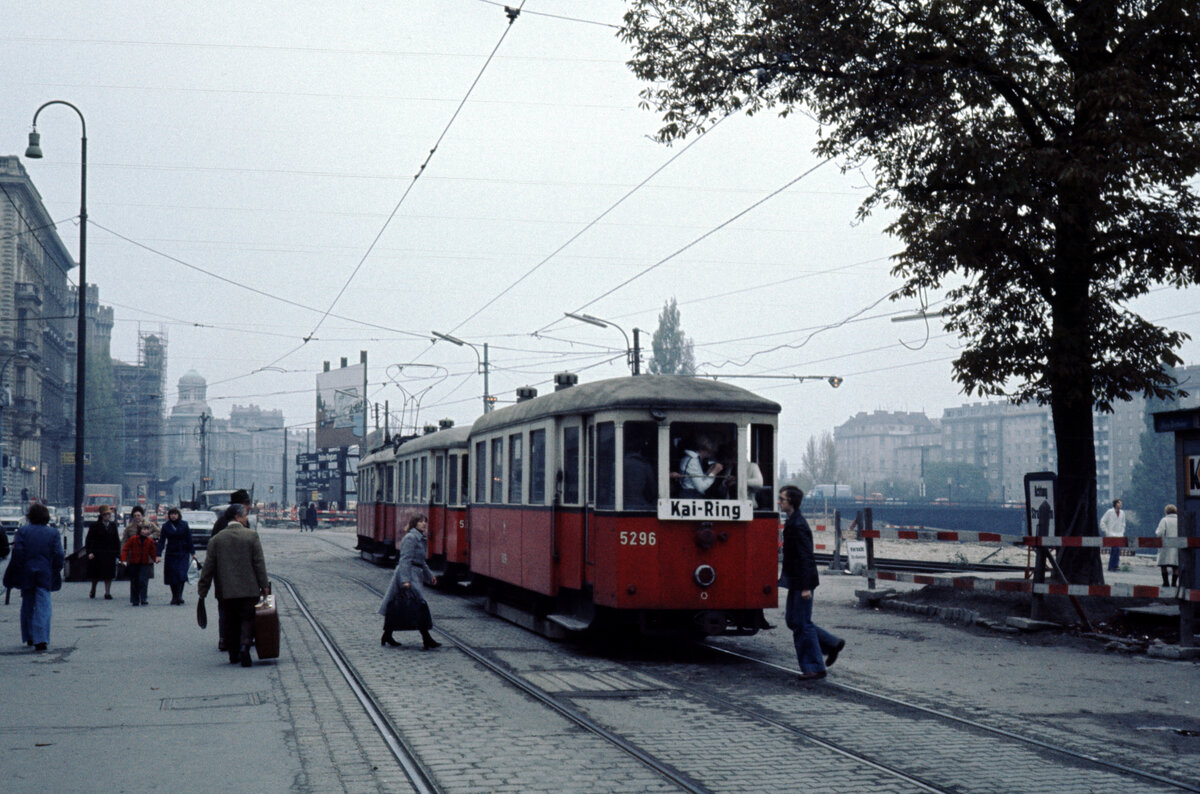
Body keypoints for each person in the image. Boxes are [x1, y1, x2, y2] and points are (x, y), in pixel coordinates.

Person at [778, 485, 844, 680]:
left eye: (782, 499)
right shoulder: (792, 522)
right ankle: (831, 643)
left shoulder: (798, 525)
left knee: (802, 623)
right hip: (796, 580)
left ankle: (814, 667)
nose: (779, 502)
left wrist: (806, 587)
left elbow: (806, 557)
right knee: (793, 620)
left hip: (803, 582)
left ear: (791, 502)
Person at [197, 502, 269, 667]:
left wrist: (203, 590)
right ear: (237, 517)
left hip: (225, 591)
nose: (245, 519)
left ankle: (233, 653)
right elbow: (259, 563)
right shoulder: (251, 536)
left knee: (230, 621)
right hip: (249, 589)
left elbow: (208, 567)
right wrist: (264, 584)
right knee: (247, 619)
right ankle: (245, 645)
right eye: (244, 515)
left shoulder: (217, 539)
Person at [2, 503, 64, 651]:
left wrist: (17, 570)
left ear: (30, 516)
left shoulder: (23, 531)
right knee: (43, 605)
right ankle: (41, 638)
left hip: (27, 571)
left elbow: (18, 554)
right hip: (45, 572)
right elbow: (58, 554)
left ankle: (29, 636)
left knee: (27, 604)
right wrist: (56, 568)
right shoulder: (53, 533)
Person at [378, 514, 441, 650]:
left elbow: (421, 560)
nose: (424, 524)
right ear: (414, 523)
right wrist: (405, 580)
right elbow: (405, 559)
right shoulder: (410, 538)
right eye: (420, 522)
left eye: (425, 521)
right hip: (408, 574)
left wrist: (430, 575)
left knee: (404, 606)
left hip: (415, 573)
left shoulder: (421, 538)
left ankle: (387, 635)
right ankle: (426, 638)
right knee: (419, 606)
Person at [157, 508, 198, 605]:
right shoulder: (166, 526)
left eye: (175, 514)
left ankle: (179, 595)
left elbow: (189, 539)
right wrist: (158, 554)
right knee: (172, 574)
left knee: (181, 574)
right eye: (171, 514)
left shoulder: (184, 524)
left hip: (183, 552)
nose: (173, 516)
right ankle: (174, 595)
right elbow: (162, 541)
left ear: (178, 515)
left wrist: (193, 553)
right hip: (171, 553)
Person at [85, 505, 122, 599]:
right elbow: (89, 540)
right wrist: (89, 552)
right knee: (95, 574)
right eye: (106, 514)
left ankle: (107, 592)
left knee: (109, 574)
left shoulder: (113, 525)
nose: (108, 516)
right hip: (97, 553)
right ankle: (93, 589)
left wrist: (118, 553)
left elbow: (116, 540)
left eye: (109, 514)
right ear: (102, 515)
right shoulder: (95, 526)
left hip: (109, 553)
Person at [674, 434, 726, 498]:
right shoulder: (692, 461)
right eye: (711, 452)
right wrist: (714, 473)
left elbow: (697, 480)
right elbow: (701, 487)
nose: (711, 454)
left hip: (690, 494)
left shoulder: (694, 459)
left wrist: (708, 473)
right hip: (690, 495)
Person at [121, 520, 160, 606]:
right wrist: (123, 559)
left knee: (143, 581)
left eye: (147, 529)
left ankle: (143, 598)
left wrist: (155, 559)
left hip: (144, 563)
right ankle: (135, 599)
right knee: (134, 581)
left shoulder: (149, 540)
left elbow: (152, 551)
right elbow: (125, 549)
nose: (145, 531)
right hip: (134, 562)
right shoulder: (133, 539)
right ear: (139, 530)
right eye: (143, 529)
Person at [1155, 504, 1179, 588]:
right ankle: (1174, 583)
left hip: (1166, 545)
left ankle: (1166, 582)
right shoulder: (1179, 520)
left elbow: (1160, 532)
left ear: (1166, 511)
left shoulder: (1164, 520)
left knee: (1163, 565)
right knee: (1176, 566)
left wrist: (1157, 533)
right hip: (1177, 545)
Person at [1099, 498, 1126, 572]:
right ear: (1115, 504)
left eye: (1121, 503)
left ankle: (1114, 565)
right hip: (1111, 534)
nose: (1120, 504)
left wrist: (1122, 531)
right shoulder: (1109, 512)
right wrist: (1106, 531)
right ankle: (1112, 566)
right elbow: (1102, 521)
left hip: (1119, 534)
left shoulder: (1122, 513)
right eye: (1119, 503)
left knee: (1117, 550)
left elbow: (1123, 523)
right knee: (1114, 549)